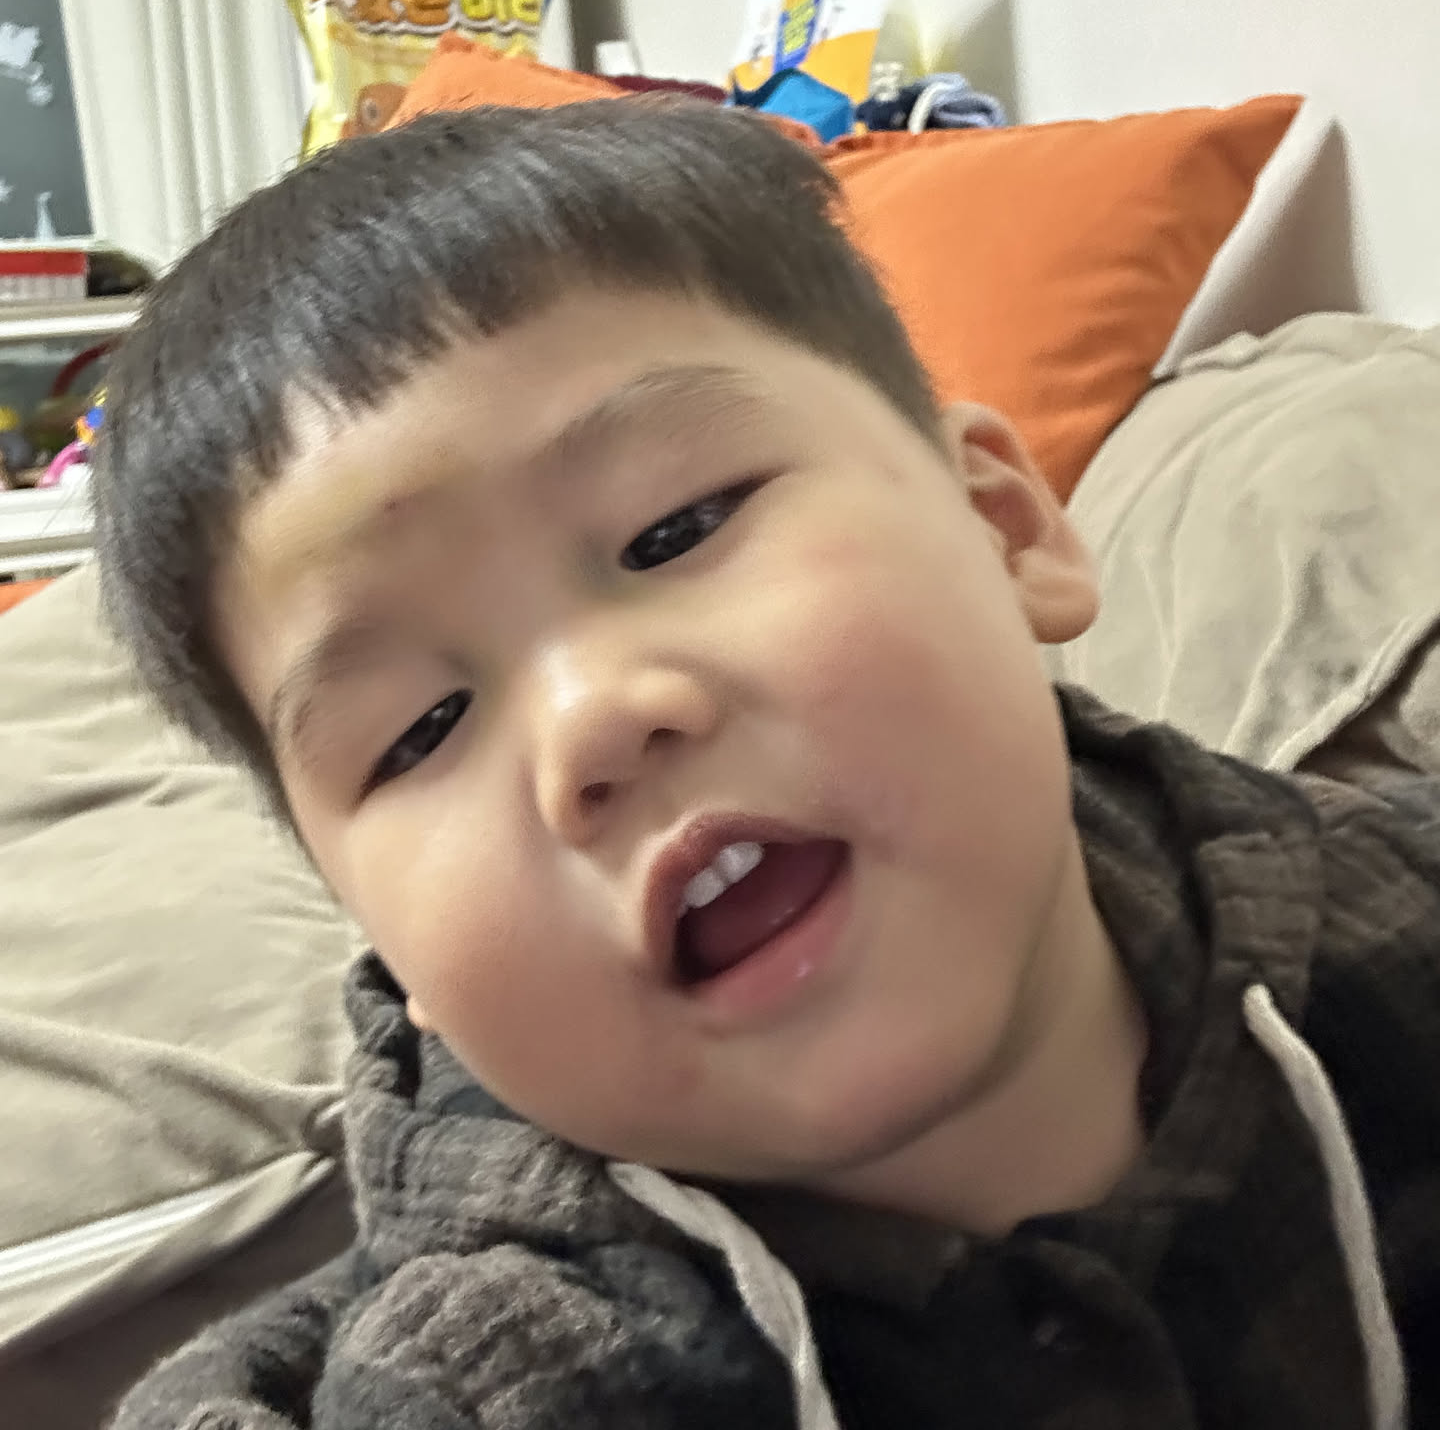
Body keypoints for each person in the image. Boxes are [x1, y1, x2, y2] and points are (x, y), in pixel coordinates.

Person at [96, 102, 1439, 1430]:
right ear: (393, 954)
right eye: (420, 729)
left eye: (675, 530)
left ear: (1002, 526)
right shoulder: (473, 1384)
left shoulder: (1397, 923)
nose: (591, 722)